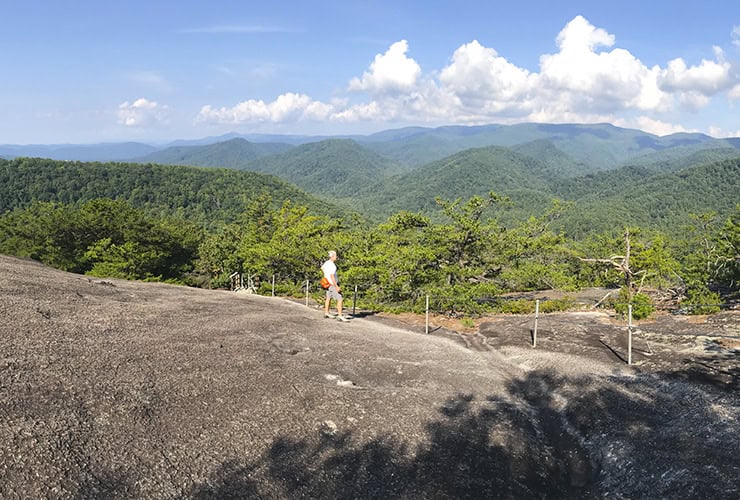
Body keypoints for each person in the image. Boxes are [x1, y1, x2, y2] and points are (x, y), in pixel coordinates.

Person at [321, 250, 349, 322]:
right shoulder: (333, 266)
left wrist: (325, 275)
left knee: (328, 298)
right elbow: (332, 276)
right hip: (332, 284)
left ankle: (326, 313)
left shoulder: (326, 263)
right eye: (335, 256)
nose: (336, 257)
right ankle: (340, 316)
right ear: (332, 256)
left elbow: (322, 268)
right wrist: (336, 286)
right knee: (340, 299)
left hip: (327, 283)